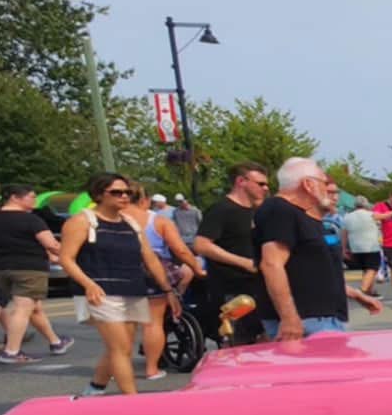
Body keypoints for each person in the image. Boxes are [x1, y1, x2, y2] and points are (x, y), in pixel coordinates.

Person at [60, 173, 177, 395]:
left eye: (127, 192)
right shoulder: (81, 221)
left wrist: (167, 288)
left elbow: (149, 257)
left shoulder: (131, 223)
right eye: (116, 192)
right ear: (98, 194)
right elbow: (66, 258)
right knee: (120, 348)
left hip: (132, 288)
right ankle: (132, 401)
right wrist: (89, 284)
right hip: (102, 292)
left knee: (122, 346)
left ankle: (95, 387)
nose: (124, 196)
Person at [256, 158, 378, 340]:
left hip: (324, 318)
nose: (326, 191)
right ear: (308, 184)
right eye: (323, 183)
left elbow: (311, 269)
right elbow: (272, 264)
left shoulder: (303, 216)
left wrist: (355, 294)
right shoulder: (279, 210)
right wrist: (289, 317)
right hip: (308, 319)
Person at [0, 183, 72, 363]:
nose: (35, 200)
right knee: (22, 309)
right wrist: (67, 256)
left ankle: (56, 342)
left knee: (33, 307)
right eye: (31, 196)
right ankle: (12, 352)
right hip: (29, 268)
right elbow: (51, 244)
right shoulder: (31, 219)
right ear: (15, 197)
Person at [124, 179, 203, 381]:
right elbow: (180, 250)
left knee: (124, 325)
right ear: (145, 199)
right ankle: (151, 368)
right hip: (154, 271)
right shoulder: (157, 221)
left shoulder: (112, 219)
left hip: (120, 270)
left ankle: (118, 367)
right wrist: (197, 268)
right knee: (153, 323)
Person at [193, 163, 270, 346]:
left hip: (258, 287)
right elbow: (201, 245)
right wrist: (243, 262)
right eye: (260, 184)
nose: (265, 189)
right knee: (239, 346)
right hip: (232, 291)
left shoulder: (257, 211)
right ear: (241, 181)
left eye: (266, 184)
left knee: (264, 344)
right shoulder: (222, 210)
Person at [342, 196, 384, 297]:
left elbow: (344, 234)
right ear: (366, 205)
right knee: (372, 268)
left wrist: (344, 248)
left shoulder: (347, 217)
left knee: (366, 269)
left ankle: (370, 290)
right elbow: (380, 227)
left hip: (355, 247)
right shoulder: (372, 215)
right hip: (371, 246)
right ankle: (362, 290)